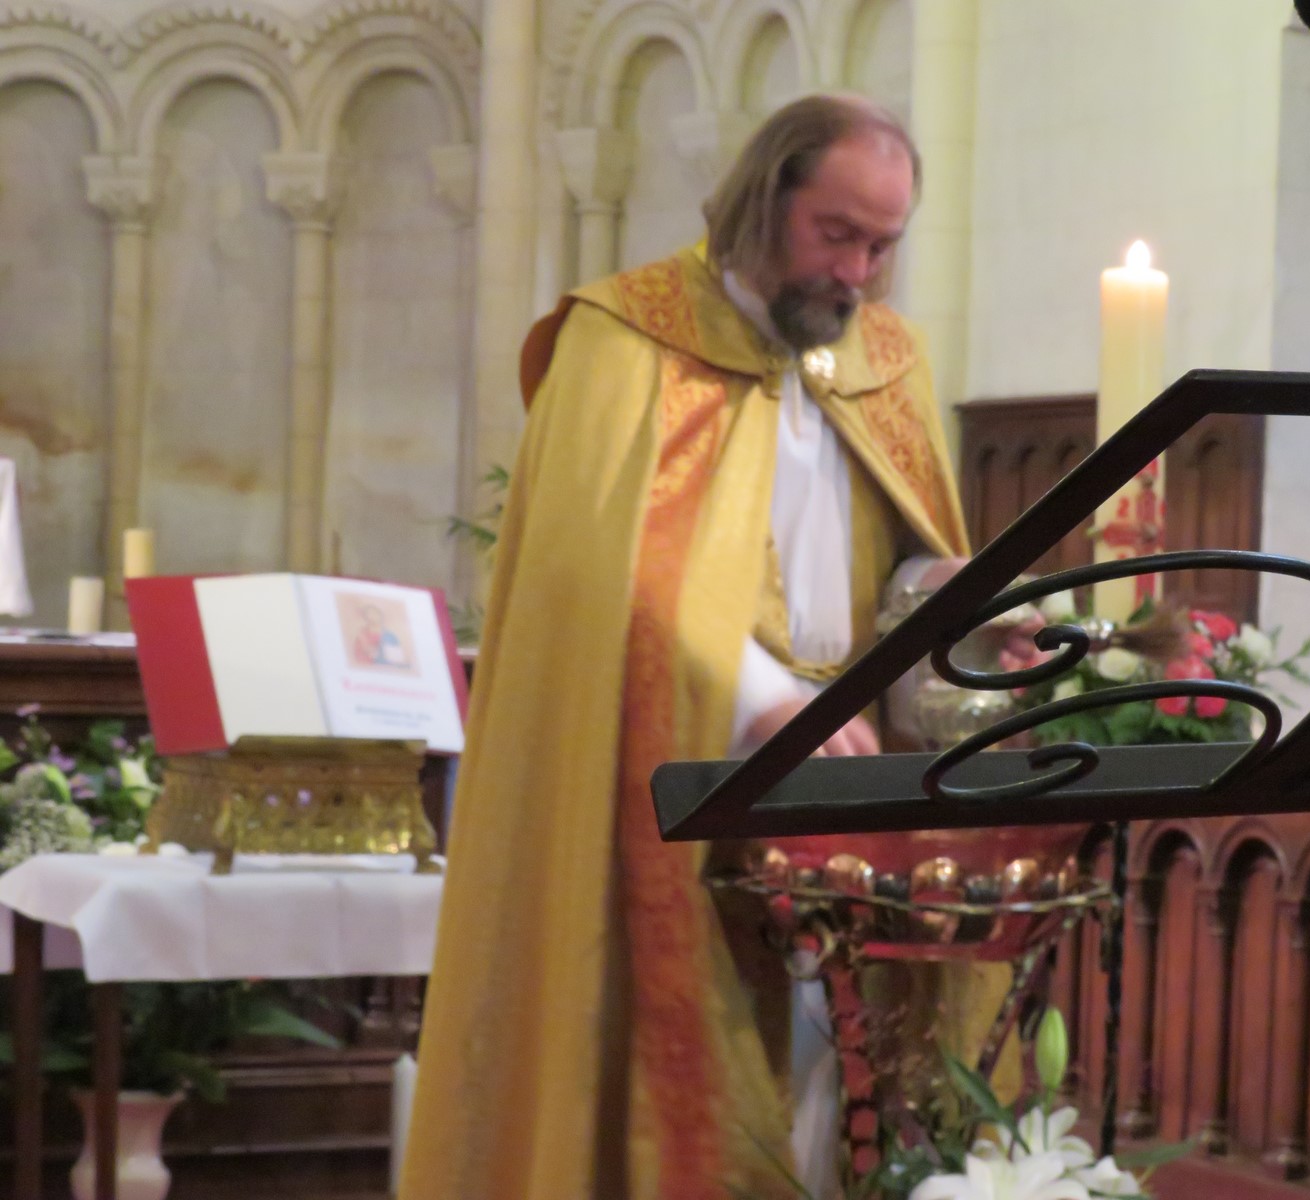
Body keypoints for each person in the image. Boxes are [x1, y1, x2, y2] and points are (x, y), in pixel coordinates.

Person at [399, 94, 980, 1199]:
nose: (856, 273)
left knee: (841, 1086)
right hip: (682, 768)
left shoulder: (886, 357)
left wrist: (953, 603)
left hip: (850, 777)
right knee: (684, 1069)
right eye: (835, 233)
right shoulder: (625, 341)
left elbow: (894, 569)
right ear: (763, 199)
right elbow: (596, 579)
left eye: (882, 245)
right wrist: (761, 698)